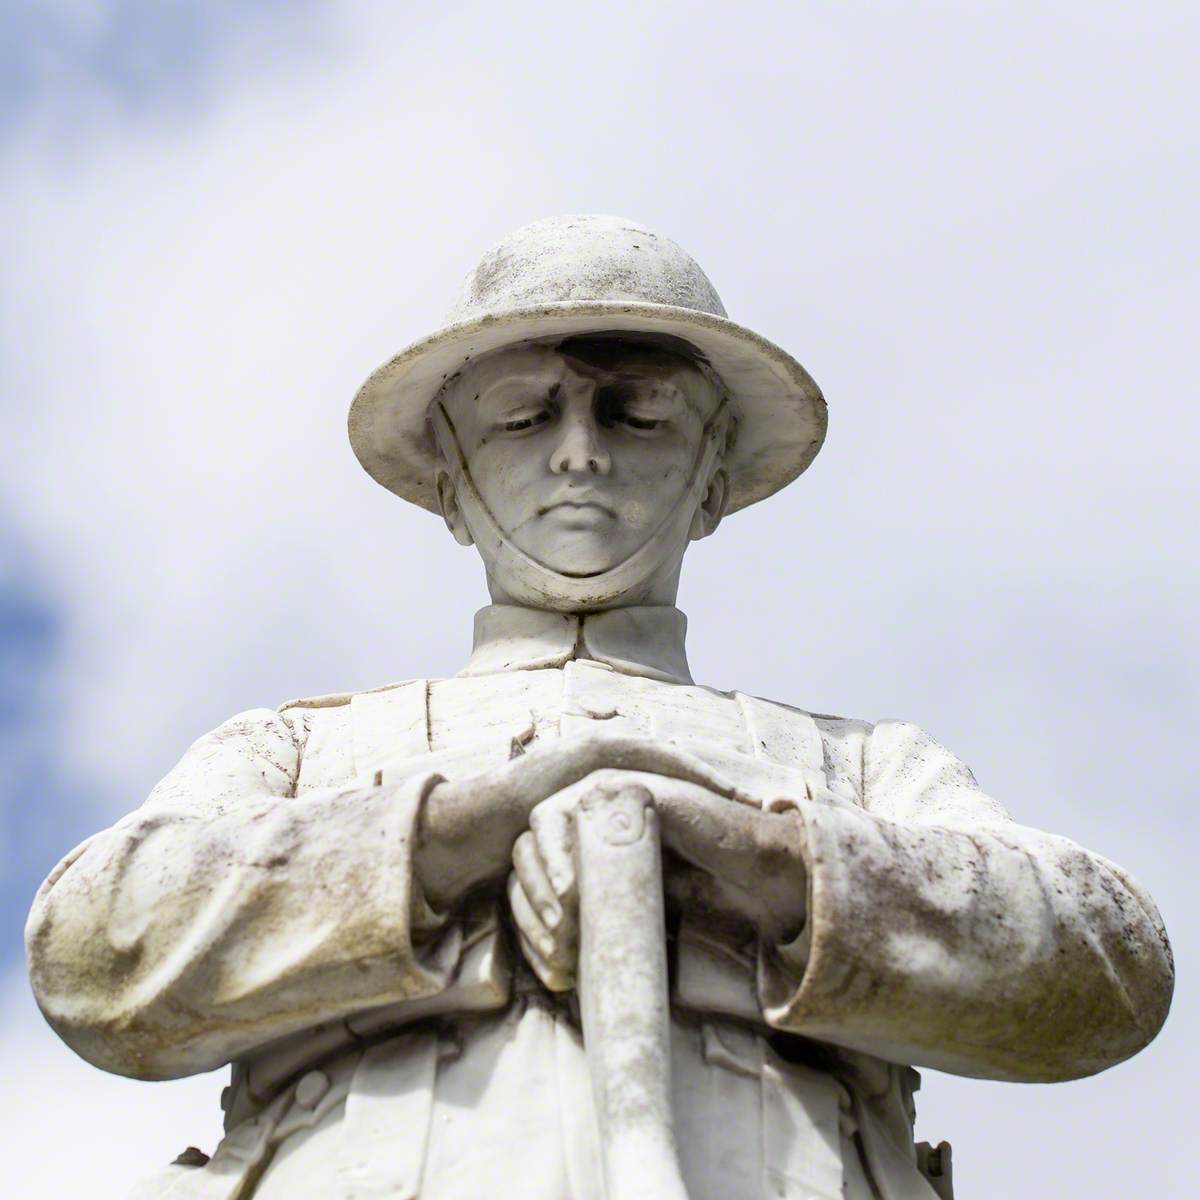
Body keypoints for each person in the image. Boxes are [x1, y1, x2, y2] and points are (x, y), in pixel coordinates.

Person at [26, 214, 1173, 1200]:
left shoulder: (863, 766)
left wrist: (762, 859)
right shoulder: (302, 748)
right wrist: (442, 839)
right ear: (451, 484)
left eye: (638, 415)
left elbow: (1108, 968)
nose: (580, 457)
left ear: (715, 475)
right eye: (525, 418)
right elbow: (91, 954)